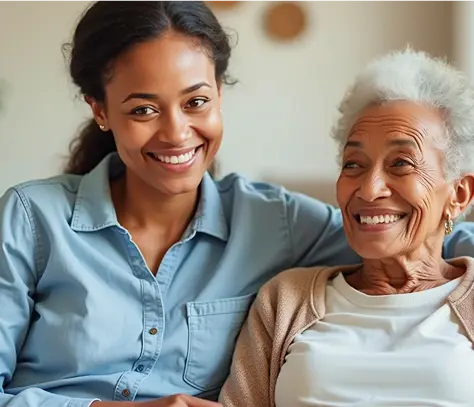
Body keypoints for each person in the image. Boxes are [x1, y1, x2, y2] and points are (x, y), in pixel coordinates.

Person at [1, 0, 473, 405]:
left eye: (196, 102)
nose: (176, 133)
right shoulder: (31, 219)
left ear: (220, 95)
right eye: (143, 109)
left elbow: (416, 234)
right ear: (100, 110)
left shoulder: (276, 222)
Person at [219, 48, 474, 407]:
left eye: (401, 163)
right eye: (354, 164)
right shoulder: (285, 300)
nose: (369, 189)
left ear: (459, 194)